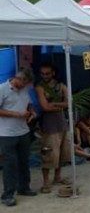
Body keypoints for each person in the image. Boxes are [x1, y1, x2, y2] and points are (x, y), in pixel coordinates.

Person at [0, 70, 37, 207]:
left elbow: (28, 104)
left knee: (24, 161)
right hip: (6, 133)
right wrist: (17, 114)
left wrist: (31, 111)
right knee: (10, 164)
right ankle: (8, 195)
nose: (26, 86)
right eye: (25, 84)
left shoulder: (24, 91)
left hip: (23, 131)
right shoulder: (2, 89)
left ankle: (24, 187)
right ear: (19, 79)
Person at [36, 63, 71, 194]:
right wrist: (61, 105)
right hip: (48, 125)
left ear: (53, 73)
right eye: (42, 74)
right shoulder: (40, 87)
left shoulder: (61, 86)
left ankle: (57, 177)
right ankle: (46, 182)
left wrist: (54, 104)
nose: (45, 76)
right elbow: (45, 107)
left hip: (61, 123)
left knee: (62, 152)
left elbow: (68, 103)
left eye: (47, 73)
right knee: (49, 153)